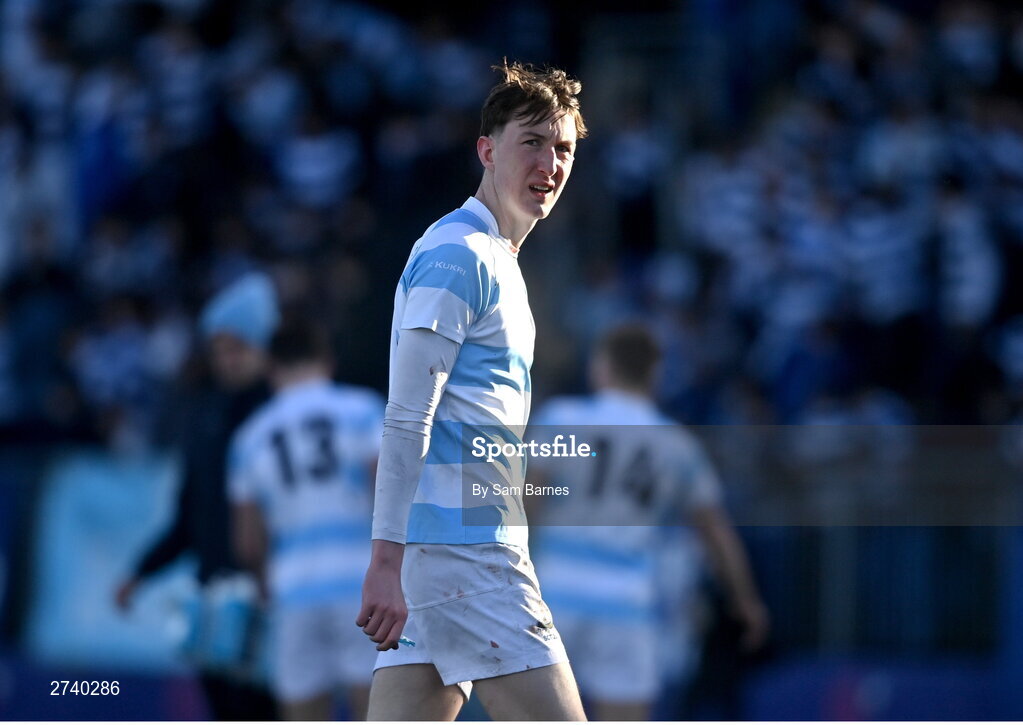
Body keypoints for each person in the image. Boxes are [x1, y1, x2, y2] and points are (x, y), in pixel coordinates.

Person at [355, 60, 588, 721]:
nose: (550, 162)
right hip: (466, 558)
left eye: (563, 147)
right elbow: (405, 417)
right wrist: (383, 560)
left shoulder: (496, 260)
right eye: (532, 142)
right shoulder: (460, 254)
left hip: (445, 558)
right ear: (486, 150)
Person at [528, 323, 769, 721]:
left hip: (554, 591)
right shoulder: (677, 444)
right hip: (626, 598)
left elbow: (525, 499)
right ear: (655, 374)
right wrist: (745, 599)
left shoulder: (562, 417)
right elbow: (715, 532)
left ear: (601, 367)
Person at [114, 272, 279, 721]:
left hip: (274, 606)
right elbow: (190, 516)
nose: (227, 360)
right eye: (219, 350)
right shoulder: (205, 416)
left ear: (265, 347)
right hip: (216, 609)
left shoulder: (284, 417)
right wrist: (140, 572)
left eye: (238, 348)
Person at [228, 319, 383, 720]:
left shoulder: (250, 437)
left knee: (303, 711)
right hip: (363, 582)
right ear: (327, 360)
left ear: (271, 368)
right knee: (376, 708)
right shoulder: (361, 410)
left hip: (293, 586)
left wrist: (265, 582)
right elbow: (390, 489)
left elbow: (247, 540)